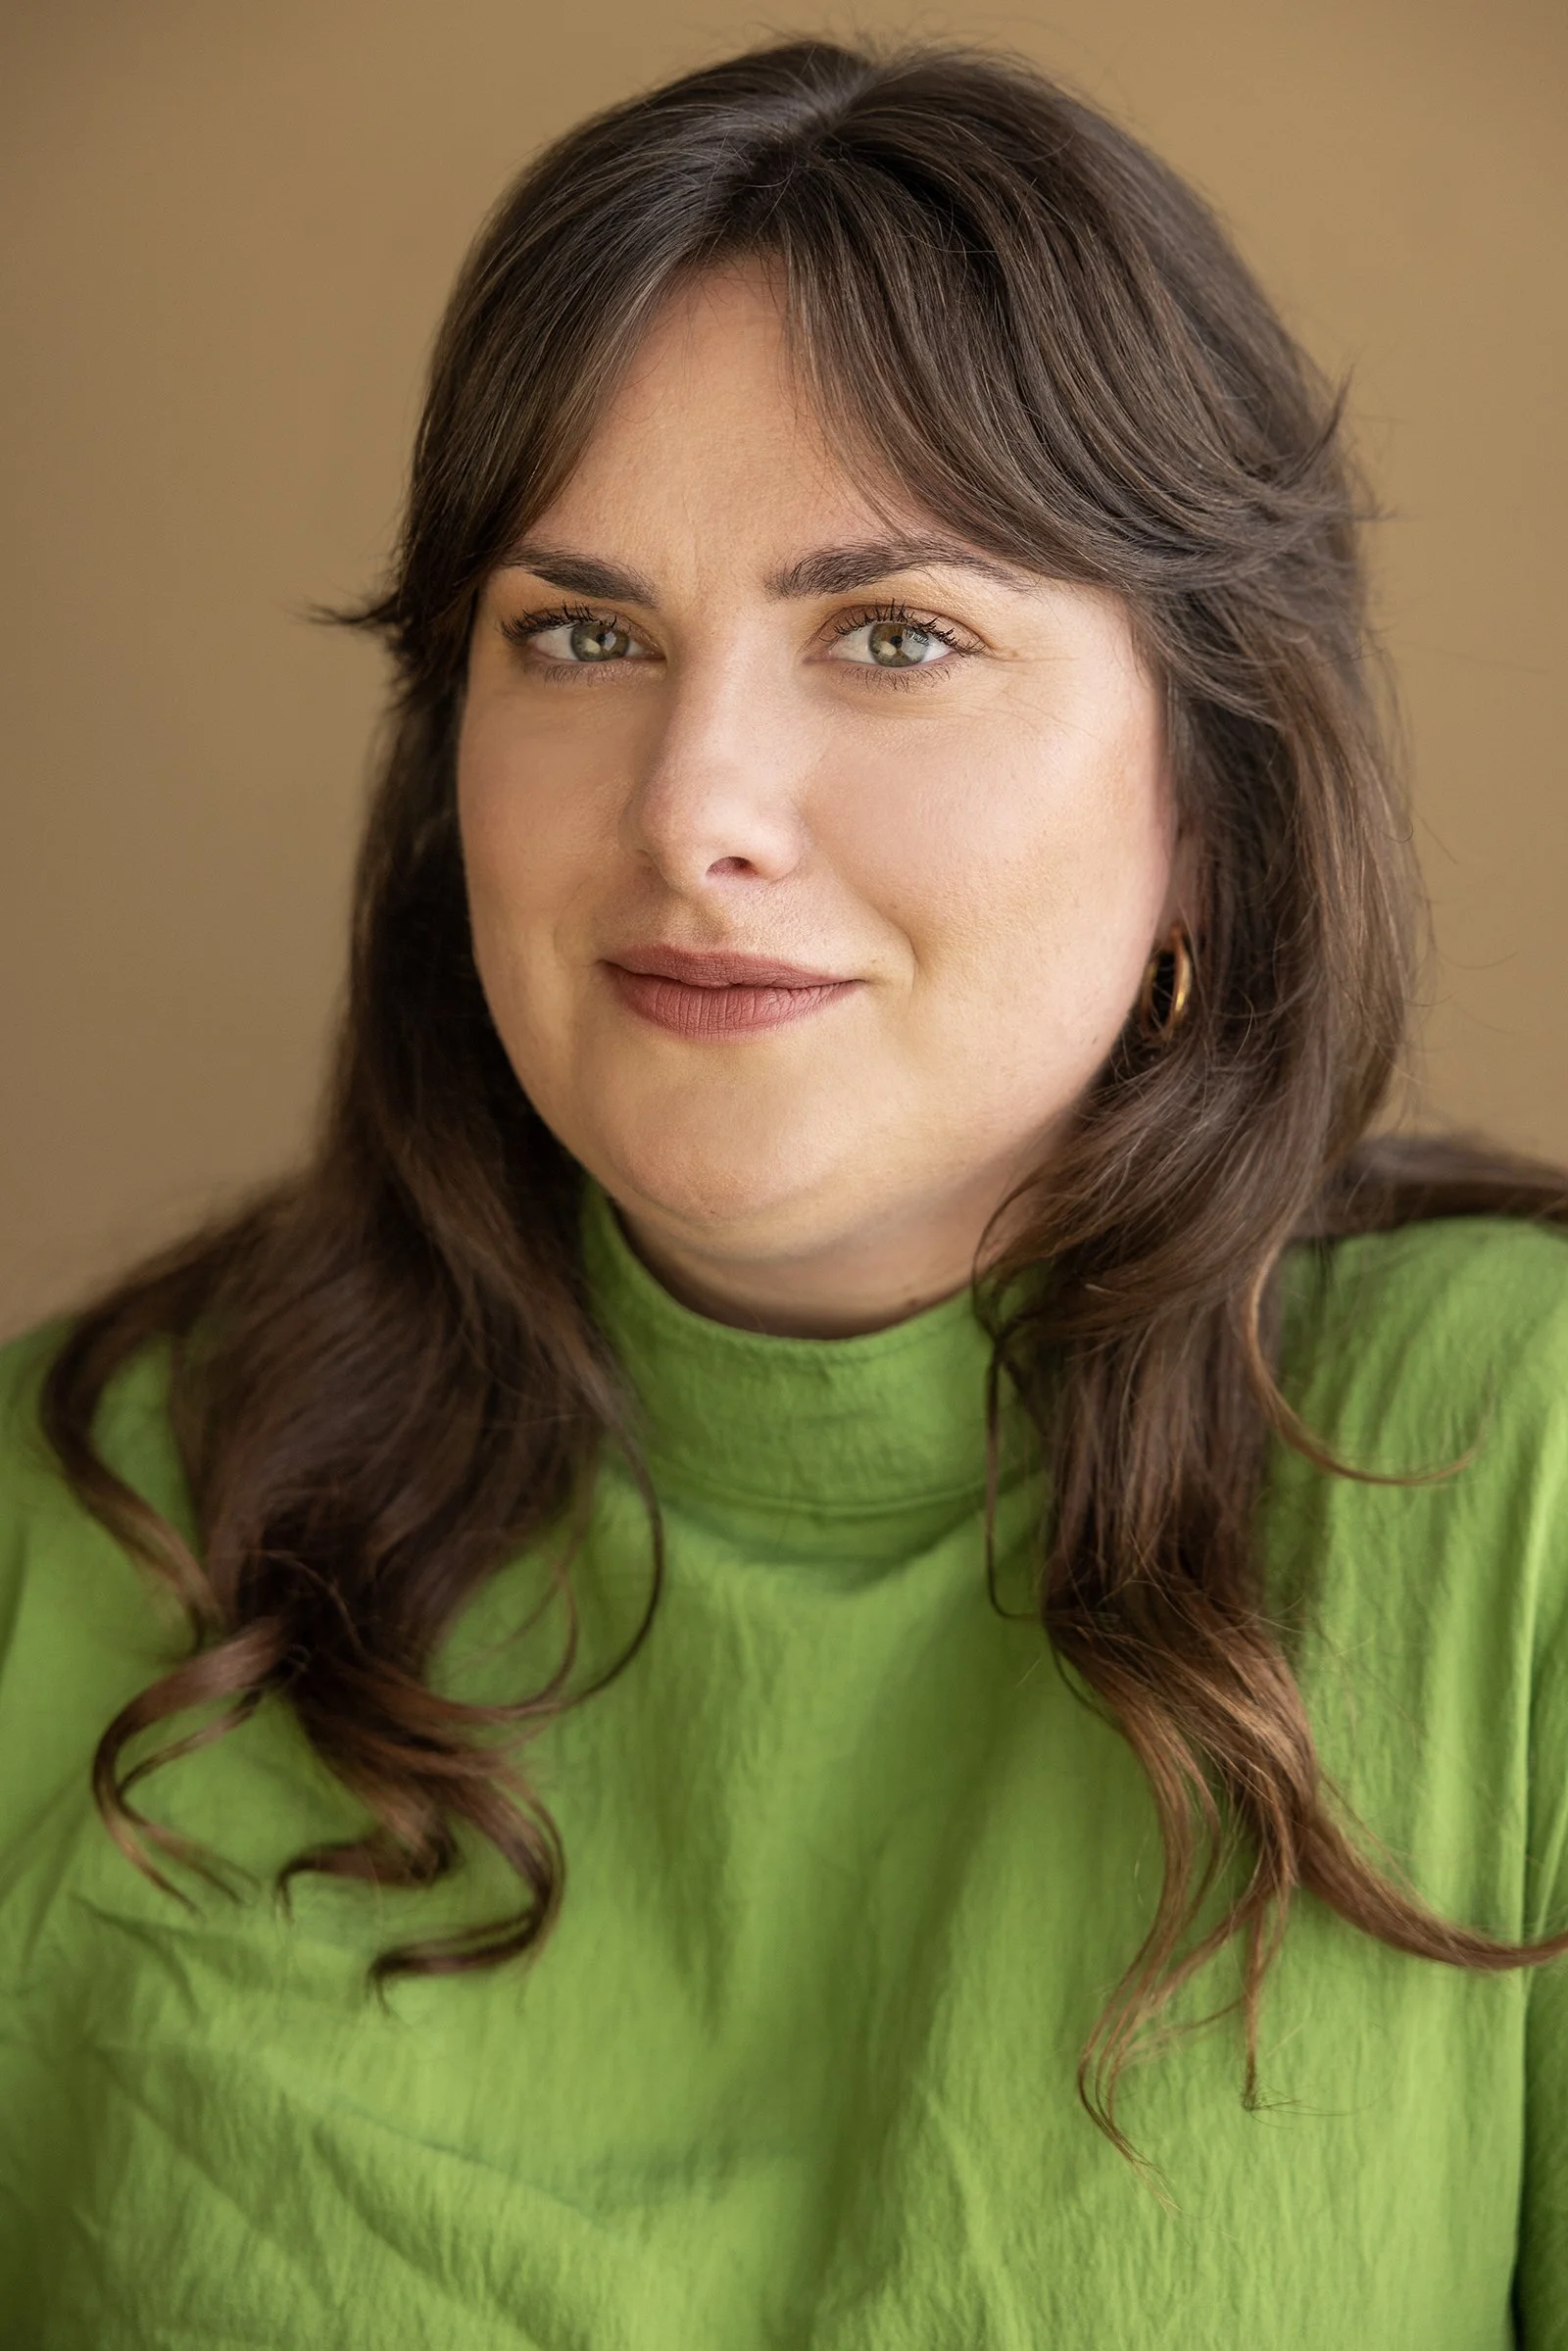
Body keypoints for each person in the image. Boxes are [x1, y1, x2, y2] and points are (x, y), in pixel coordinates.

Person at [2, 34, 1565, 2348]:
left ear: (1209, 814)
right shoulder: (80, 1506)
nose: (688, 801)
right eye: (582, 634)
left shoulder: (1519, 1471)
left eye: (895, 634)